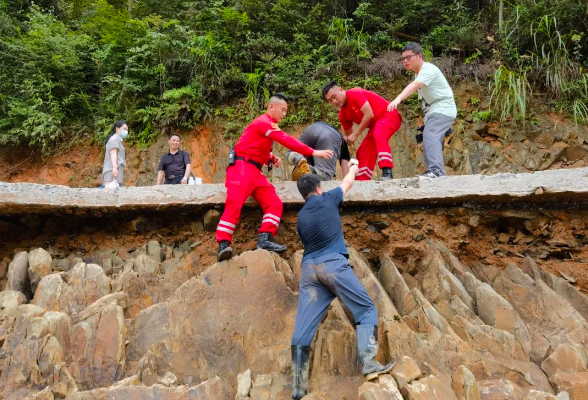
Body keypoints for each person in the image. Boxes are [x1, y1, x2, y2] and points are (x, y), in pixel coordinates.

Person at [290, 160, 394, 400]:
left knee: (303, 329)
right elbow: (347, 182)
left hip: (309, 270)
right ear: (318, 189)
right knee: (366, 309)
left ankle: (298, 389)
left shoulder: (301, 217)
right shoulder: (328, 198)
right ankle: (370, 366)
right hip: (333, 265)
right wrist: (355, 166)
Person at [216, 94, 334, 262]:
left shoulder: (265, 126)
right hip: (242, 169)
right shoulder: (263, 122)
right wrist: (313, 152)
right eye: (283, 109)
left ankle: (265, 239)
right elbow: (285, 139)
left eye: (286, 110)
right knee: (234, 203)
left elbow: (252, 145)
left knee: (274, 203)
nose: (284, 114)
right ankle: (223, 244)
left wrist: (270, 157)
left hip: (255, 172)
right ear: (272, 107)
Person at [387, 42, 457, 178]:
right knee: (431, 138)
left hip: (442, 108)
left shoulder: (428, 70)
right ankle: (436, 172)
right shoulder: (419, 73)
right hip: (437, 110)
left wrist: (398, 99)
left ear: (419, 56)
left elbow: (415, 86)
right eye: (403, 59)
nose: (405, 61)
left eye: (408, 57)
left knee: (430, 135)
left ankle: (436, 172)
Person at [322, 82, 402, 181]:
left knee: (379, 134)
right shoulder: (343, 115)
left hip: (389, 115)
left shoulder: (354, 93)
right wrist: (339, 145)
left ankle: (387, 172)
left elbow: (369, 114)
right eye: (330, 100)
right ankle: (362, 179)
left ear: (341, 90)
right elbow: (347, 136)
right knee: (362, 150)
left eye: (334, 96)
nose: (334, 101)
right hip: (376, 125)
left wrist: (355, 134)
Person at [286, 121, 351, 181]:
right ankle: (309, 170)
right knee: (325, 175)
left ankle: (296, 157)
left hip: (312, 128)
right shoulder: (343, 145)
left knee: (292, 152)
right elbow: (347, 175)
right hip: (330, 135)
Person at [102, 120, 128, 188]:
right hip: (112, 171)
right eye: (124, 129)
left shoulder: (118, 139)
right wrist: (114, 168)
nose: (126, 131)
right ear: (117, 128)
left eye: (127, 130)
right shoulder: (114, 139)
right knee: (110, 194)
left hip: (116, 170)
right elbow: (113, 153)